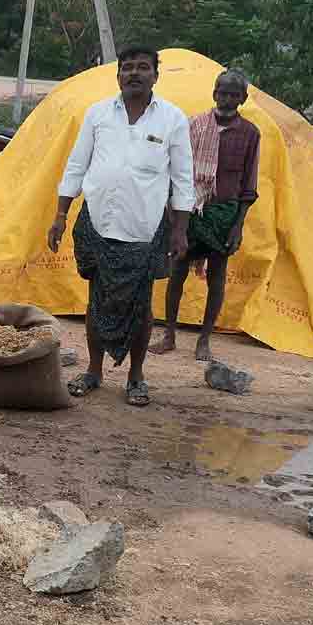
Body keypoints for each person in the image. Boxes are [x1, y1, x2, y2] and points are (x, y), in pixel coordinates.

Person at [47, 46, 195, 407]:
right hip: (96, 223)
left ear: (155, 76)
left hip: (145, 230)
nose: (134, 73)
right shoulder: (98, 114)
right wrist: (60, 215)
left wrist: (179, 230)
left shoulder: (172, 119)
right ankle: (94, 372)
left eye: (143, 67)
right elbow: (76, 166)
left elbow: (183, 179)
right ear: (118, 76)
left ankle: (136, 378)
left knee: (141, 308)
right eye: (127, 68)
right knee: (96, 302)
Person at [150, 69, 260, 362]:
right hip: (189, 209)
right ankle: (169, 334)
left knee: (217, 274)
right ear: (214, 94)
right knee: (178, 270)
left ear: (243, 98)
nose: (227, 98)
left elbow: (249, 185)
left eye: (234, 94)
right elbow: (175, 170)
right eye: (223, 92)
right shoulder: (193, 126)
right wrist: (173, 214)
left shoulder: (250, 133)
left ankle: (204, 340)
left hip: (225, 212)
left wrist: (238, 226)